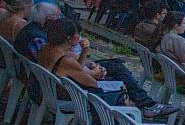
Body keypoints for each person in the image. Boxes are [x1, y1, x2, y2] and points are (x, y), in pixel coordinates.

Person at [37, 18, 176, 118]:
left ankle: (146, 104)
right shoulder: (65, 59)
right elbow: (93, 83)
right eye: (77, 34)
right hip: (72, 96)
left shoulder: (47, 49)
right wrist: (96, 72)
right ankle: (142, 107)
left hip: (57, 90)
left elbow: (76, 68)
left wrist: (84, 53)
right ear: (69, 38)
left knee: (115, 65)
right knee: (120, 81)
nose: (79, 37)